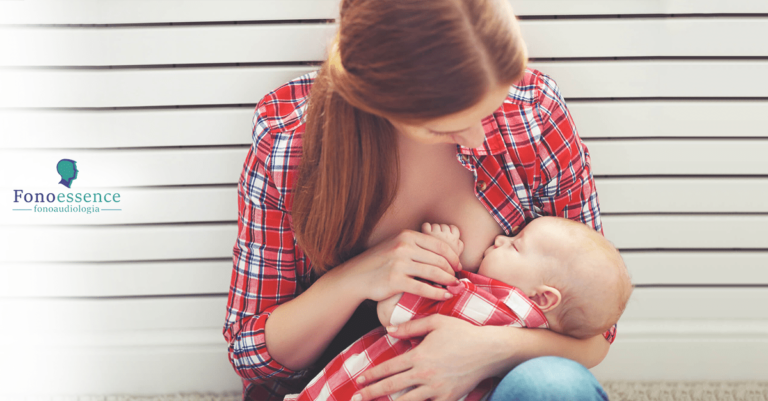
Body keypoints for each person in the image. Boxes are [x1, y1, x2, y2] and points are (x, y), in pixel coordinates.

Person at [223, 0, 615, 400]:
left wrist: (488, 351)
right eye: (446, 128)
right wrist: (360, 276)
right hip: (352, 385)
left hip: (489, 385)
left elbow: (594, 332)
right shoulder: (290, 138)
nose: (480, 139)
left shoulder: (534, 113)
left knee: (554, 388)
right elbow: (252, 354)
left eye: (492, 106)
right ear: (379, 101)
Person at [282, 219, 633, 401]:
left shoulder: (485, 303)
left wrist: (440, 259)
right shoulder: (541, 329)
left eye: (514, 246)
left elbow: (393, 312)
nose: (500, 239)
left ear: (542, 298)